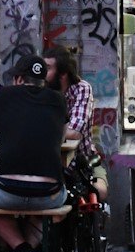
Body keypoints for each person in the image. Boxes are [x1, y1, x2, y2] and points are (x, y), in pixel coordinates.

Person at [0, 54, 68, 252]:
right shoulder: (58, 100)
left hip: (7, 191)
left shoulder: (2, 96)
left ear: (17, 79)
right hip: (49, 193)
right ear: (42, 80)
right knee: (47, 205)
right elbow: (61, 140)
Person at [44, 45, 108, 202]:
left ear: (63, 73)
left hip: (83, 161)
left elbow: (74, 133)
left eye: (48, 68)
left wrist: (41, 132)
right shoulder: (42, 90)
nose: (43, 73)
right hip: (49, 162)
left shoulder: (81, 89)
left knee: (100, 191)